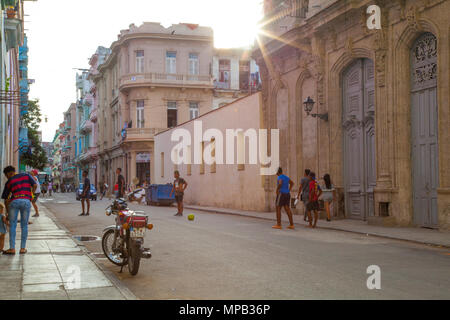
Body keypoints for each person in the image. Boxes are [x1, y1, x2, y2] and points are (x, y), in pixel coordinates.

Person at [1, 166, 36, 255]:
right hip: (26, 201)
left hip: (14, 202)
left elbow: (6, 199)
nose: (7, 177)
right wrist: (31, 195)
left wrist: (8, 213)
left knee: (12, 225)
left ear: (8, 173)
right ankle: (23, 249)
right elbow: (35, 185)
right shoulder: (26, 175)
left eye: (6, 175)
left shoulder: (9, 181)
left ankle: (12, 249)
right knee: (24, 225)